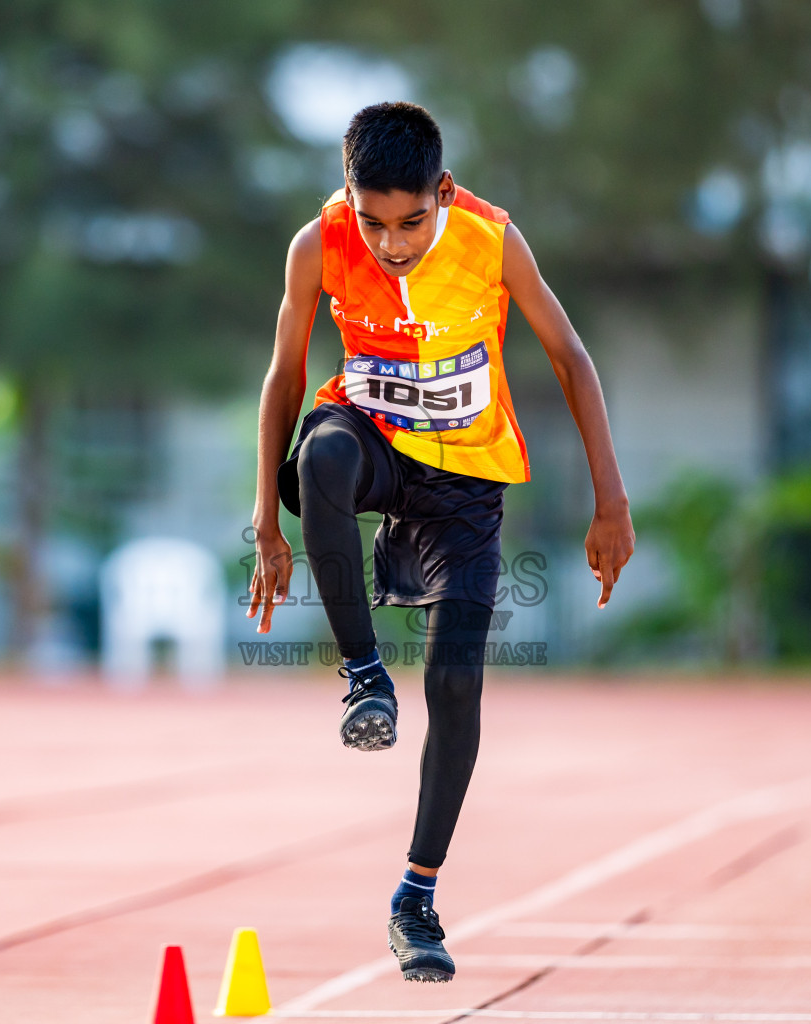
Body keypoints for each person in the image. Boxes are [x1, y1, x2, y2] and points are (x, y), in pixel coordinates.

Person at [246, 101, 634, 982]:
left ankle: (416, 897)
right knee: (324, 458)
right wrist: (266, 522)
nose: (391, 244)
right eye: (373, 221)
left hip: (463, 479)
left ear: (444, 194)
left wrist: (610, 501)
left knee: (458, 681)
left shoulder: (493, 241)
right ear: (349, 195)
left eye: (412, 221)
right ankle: (363, 678)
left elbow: (571, 356)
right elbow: (286, 372)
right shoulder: (320, 244)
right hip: (374, 443)